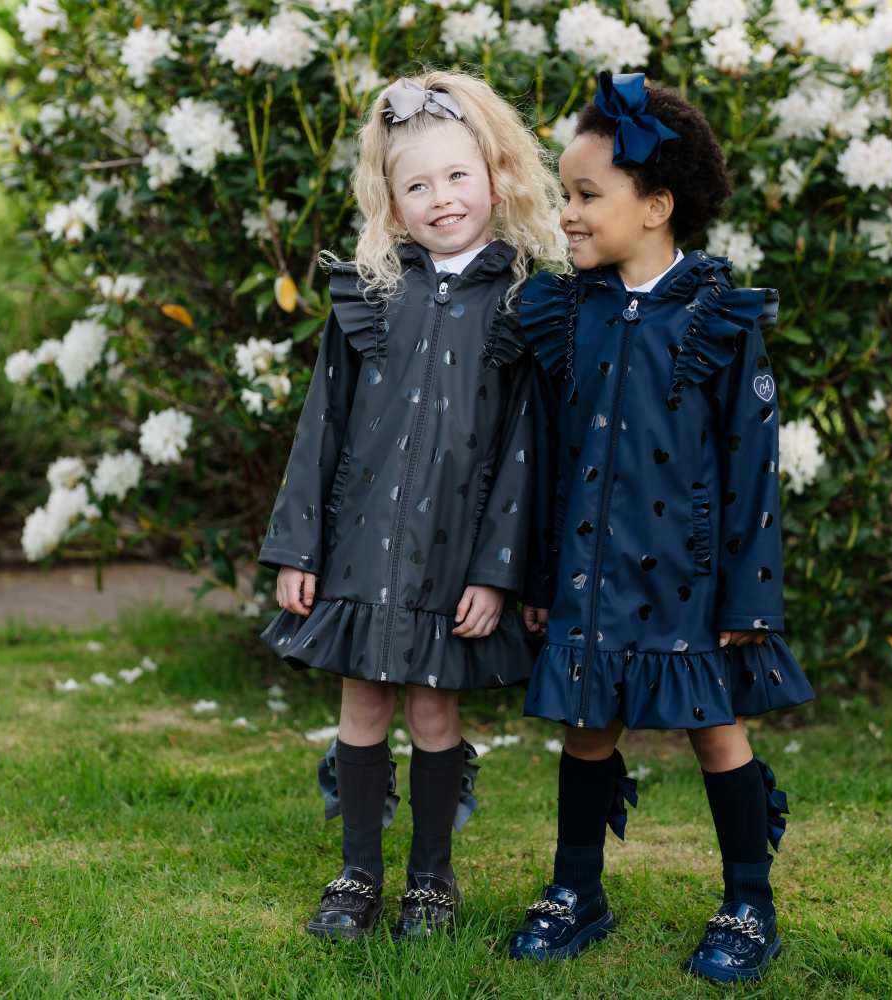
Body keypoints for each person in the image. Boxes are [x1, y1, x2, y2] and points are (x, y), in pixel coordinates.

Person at [507, 72, 814, 984]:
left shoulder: (717, 315)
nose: (566, 213)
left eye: (586, 195)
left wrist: (747, 596)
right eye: (565, 193)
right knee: (586, 728)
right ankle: (576, 892)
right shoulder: (569, 312)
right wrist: (536, 580)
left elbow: (751, 461)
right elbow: (550, 458)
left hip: (686, 577)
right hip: (589, 575)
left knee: (717, 731)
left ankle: (749, 902)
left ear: (657, 206)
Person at [257, 70, 564, 941]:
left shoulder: (520, 300)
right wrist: (299, 549)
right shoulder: (369, 294)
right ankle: (356, 874)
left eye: (457, 176)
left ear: (497, 172)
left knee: (433, 710)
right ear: (390, 200)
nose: (441, 199)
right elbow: (322, 427)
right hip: (361, 546)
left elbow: (524, 453)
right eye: (417, 185)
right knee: (362, 706)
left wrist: (497, 574)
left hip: (453, 553)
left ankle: (431, 879)